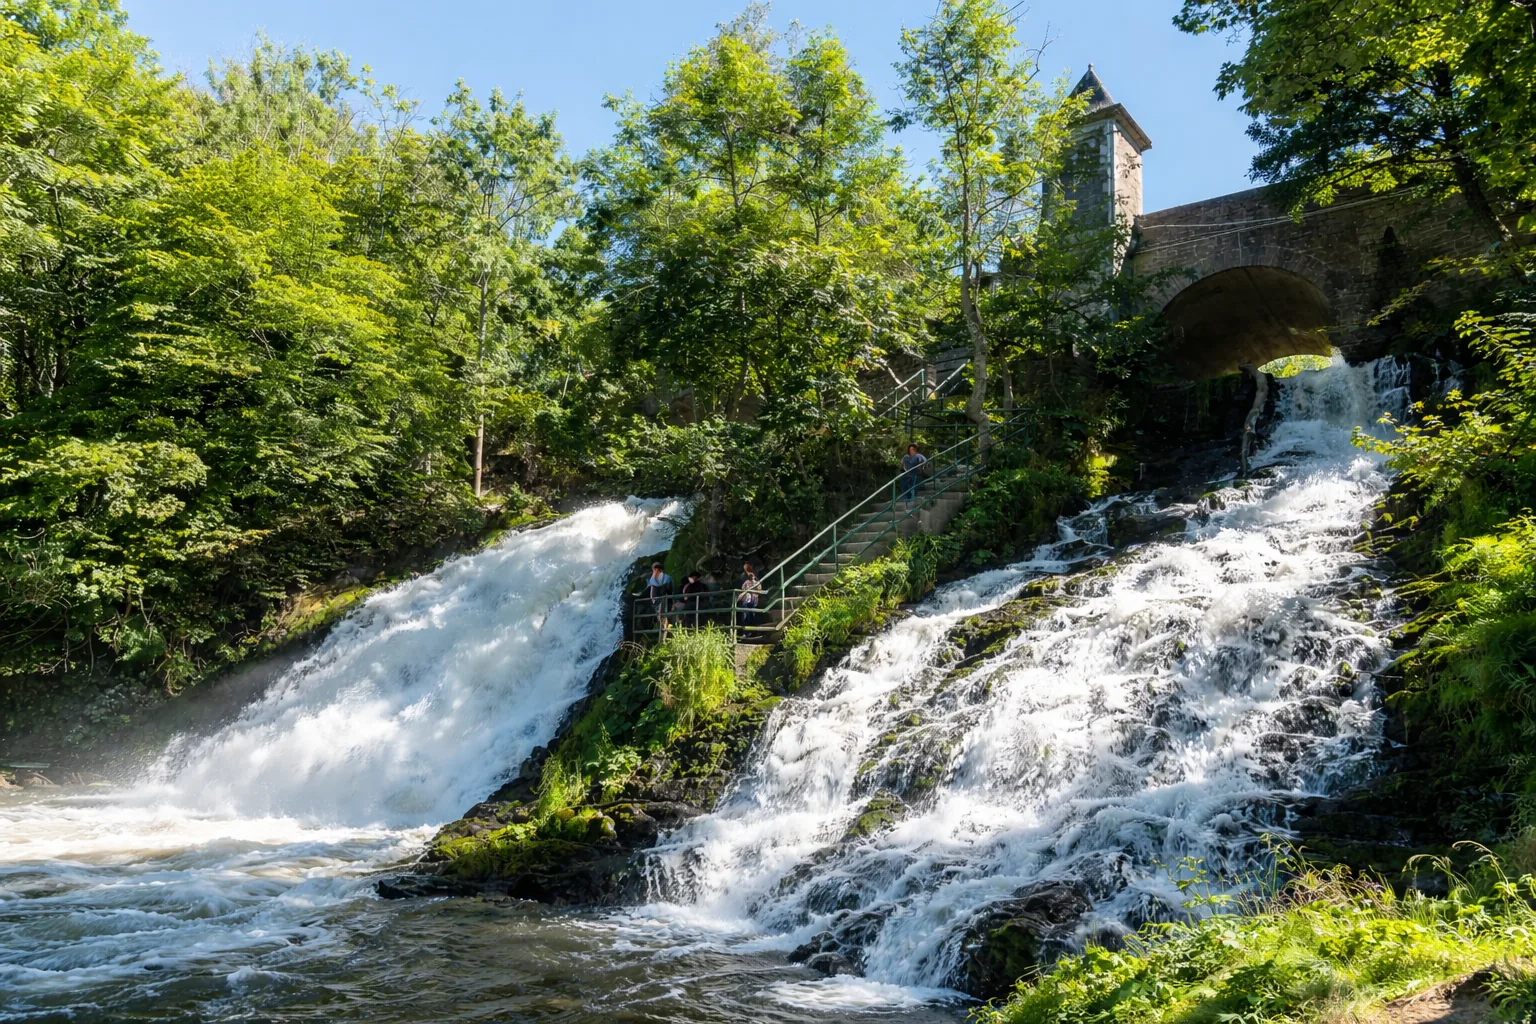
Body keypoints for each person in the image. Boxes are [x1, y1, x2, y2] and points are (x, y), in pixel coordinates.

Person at [642, 562, 672, 633]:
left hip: (663, 602)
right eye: (654, 570)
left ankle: (665, 631)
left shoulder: (666, 579)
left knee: (664, 618)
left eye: (658, 570)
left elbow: (668, 590)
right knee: (660, 619)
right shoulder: (653, 581)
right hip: (656, 603)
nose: (656, 572)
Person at [737, 561, 765, 637]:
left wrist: (753, 580)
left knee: (752, 616)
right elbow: (741, 588)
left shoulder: (755, 576)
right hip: (745, 600)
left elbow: (759, 588)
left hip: (753, 600)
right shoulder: (743, 577)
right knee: (745, 616)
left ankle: (754, 632)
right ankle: (746, 633)